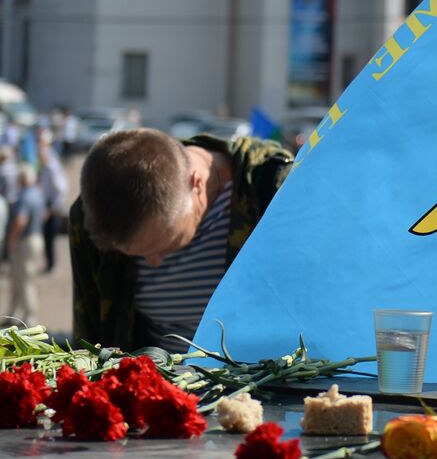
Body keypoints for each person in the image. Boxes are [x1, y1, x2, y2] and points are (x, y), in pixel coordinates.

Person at [69, 128, 294, 352]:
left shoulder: (277, 194)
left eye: (167, 245)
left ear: (195, 184)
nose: (154, 262)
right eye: (136, 255)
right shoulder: (96, 210)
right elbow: (89, 341)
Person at [5, 166, 45, 325]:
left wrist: (12, 240)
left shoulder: (25, 197)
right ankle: (14, 314)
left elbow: (21, 220)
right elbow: (44, 214)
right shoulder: (37, 194)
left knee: (25, 280)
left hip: (25, 241)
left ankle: (29, 318)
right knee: (22, 279)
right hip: (36, 237)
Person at [35, 142, 68, 273]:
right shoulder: (45, 168)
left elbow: (61, 190)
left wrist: (52, 209)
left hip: (51, 208)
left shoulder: (51, 168)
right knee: (47, 238)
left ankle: (51, 265)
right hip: (46, 205)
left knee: (50, 238)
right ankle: (49, 263)